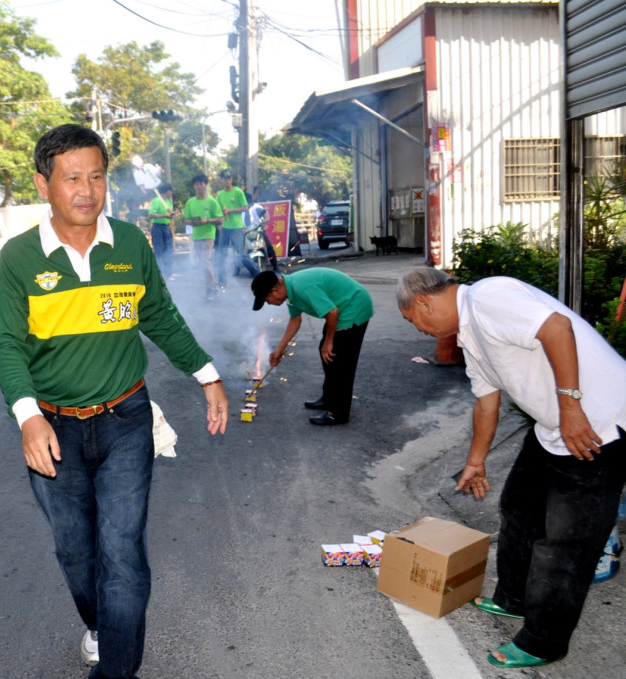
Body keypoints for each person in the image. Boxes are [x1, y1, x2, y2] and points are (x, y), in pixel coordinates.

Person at [0, 124, 229, 679]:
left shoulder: (129, 245)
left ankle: (116, 670)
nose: (87, 191)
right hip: (54, 428)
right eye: (72, 178)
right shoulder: (20, 259)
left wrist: (207, 375)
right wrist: (27, 418)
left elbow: (160, 316)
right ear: (43, 183)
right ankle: (101, 625)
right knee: (76, 552)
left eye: (96, 176)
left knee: (121, 553)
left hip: (126, 419)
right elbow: (6, 344)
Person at [396, 269, 626, 669]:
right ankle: (514, 599)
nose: (417, 329)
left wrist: (571, 406)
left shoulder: (488, 297)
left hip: (597, 426)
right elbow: (487, 403)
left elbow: (557, 327)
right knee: (519, 506)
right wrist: (475, 462)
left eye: (410, 319)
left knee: (566, 544)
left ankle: (543, 641)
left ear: (423, 303)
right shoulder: (470, 336)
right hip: (553, 428)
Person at [251, 268, 373, 425]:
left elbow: (332, 312)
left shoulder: (302, 288)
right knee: (326, 352)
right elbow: (295, 319)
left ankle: (338, 413)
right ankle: (329, 399)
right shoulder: (289, 291)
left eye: (267, 300)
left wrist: (329, 342)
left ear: (274, 291)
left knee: (338, 360)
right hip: (341, 309)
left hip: (353, 307)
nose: (270, 304)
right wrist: (279, 349)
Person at [182, 173, 223, 300]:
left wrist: (207, 221)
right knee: (202, 262)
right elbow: (185, 219)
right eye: (197, 183)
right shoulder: (190, 202)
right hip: (196, 235)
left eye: (201, 183)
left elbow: (220, 219)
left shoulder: (211, 201)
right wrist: (193, 222)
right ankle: (210, 288)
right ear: (194, 186)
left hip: (208, 234)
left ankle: (214, 286)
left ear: (206, 185)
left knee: (205, 260)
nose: (199, 186)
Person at [215, 170, 259, 279]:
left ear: (231, 179)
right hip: (224, 227)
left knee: (240, 252)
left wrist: (230, 210)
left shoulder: (238, 192)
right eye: (225, 179)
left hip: (237, 227)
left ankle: (257, 273)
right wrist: (219, 222)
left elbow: (245, 207)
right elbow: (219, 211)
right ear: (222, 180)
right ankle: (222, 277)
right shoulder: (220, 194)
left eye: (229, 178)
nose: (227, 181)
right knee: (221, 253)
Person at [146, 182, 177, 278]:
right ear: (168, 191)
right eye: (171, 191)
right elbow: (151, 215)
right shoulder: (157, 201)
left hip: (167, 227)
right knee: (159, 250)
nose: (172, 193)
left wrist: (171, 214)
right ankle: (159, 274)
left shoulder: (167, 202)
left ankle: (168, 273)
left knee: (168, 250)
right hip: (158, 228)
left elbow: (169, 216)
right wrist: (164, 215)